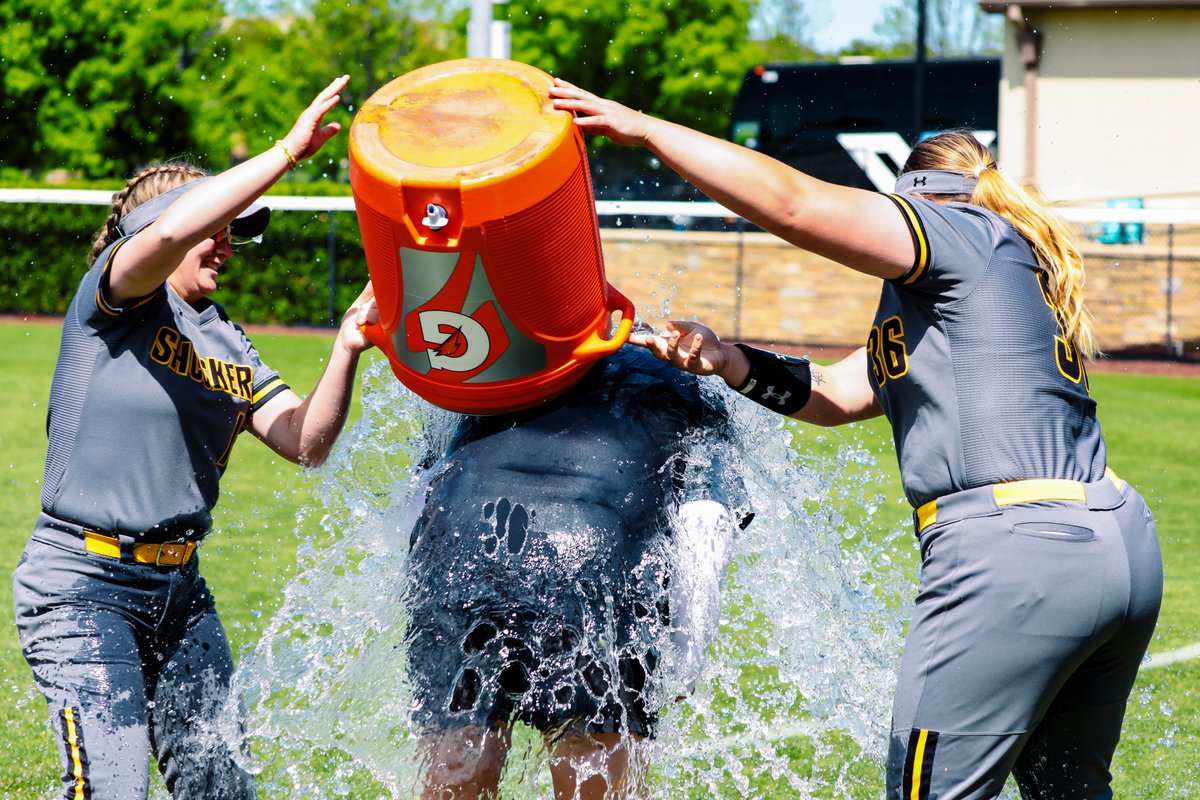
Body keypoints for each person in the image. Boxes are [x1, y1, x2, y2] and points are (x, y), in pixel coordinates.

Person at [548, 81, 1163, 800]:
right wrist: (731, 361)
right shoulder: (992, 279)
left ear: (919, 197)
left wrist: (645, 127)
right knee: (1069, 793)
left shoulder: (962, 233)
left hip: (1019, 554)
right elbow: (840, 395)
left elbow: (794, 206)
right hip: (1115, 541)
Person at [12, 75, 379, 799]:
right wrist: (285, 152)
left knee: (222, 790)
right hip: (85, 585)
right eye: (221, 223)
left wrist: (346, 347)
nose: (229, 243)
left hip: (180, 593)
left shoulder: (230, 343)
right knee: (111, 790)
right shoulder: (114, 296)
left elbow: (305, 442)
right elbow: (172, 231)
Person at [404, 340, 751, 800]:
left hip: (463, 558)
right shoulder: (684, 375)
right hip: (590, 573)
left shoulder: (488, 360)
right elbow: (706, 520)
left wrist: (422, 605)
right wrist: (685, 660)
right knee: (593, 774)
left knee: (459, 764)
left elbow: (423, 497)